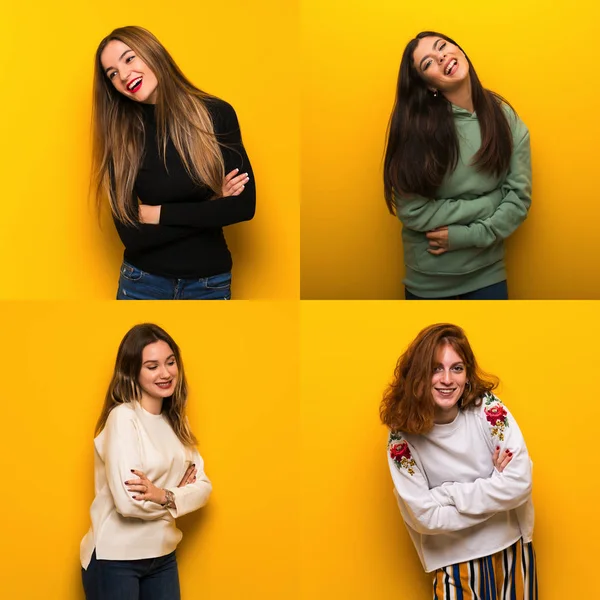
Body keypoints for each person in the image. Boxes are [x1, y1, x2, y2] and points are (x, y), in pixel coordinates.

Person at [92, 26, 256, 300]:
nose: (123, 76)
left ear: (152, 53)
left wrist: (157, 214)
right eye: (112, 74)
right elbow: (132, 237)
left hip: (209, 284)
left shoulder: (215, 114)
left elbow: (243, 207)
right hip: (141, 283)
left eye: (129, 59)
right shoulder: (121, 136)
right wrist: (212, 206)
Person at [380, 323, 537, 599]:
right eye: (435, 368)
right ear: (418, 374)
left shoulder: (487, 408)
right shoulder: (400, 440)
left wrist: (446, 494)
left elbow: (520, 482)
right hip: (452, 564)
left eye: (457, 368)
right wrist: (495, 485)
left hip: (511, 551)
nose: (447, 379)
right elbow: (426, 518)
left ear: (467, 374)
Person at [383, 32, 531, 300]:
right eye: (428, 63)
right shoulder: (416, 129)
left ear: (459, 50)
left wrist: (464, 236)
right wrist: (491, 202)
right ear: (429, 86)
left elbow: (518, 200)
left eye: (442, 46)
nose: (440, 56)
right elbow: (412, 211)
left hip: (488, 275)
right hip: (427, 282)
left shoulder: (505, 118)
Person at [80, 323, 212, 599]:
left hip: (163, 555)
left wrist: (162, 495)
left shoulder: (177, 421)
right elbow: (128, 504)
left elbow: (205, 488)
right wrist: (178, 498)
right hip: (116, 559)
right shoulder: (123, 418)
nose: (165, 373)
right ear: (132, 372)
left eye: (170, 362)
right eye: (152, 366)